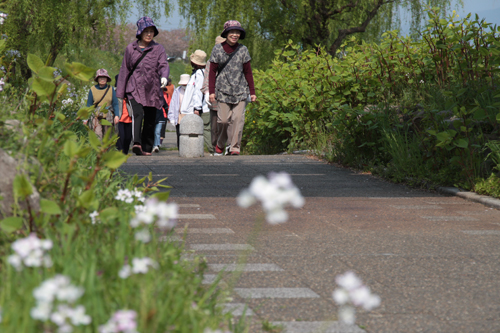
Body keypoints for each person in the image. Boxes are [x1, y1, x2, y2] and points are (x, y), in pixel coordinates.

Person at [116, 16, 169, 156]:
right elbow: (124, 70)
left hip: (152, 89)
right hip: (134, 88)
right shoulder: (130, 49)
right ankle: (137, 143)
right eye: (146, 31)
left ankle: (146, 147)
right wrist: (120, 94)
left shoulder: (158, 49)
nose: (149, 34)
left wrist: (164, 76)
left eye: (152, 31)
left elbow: (163, 64)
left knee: (151, 118)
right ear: (140, 32)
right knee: (138, 113)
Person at [209, 20, 256, 156]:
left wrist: (252, 92)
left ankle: (234, 147)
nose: (235, 35)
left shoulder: (243, 50)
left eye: (237, 32)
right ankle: (220, 143)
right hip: (222, 90)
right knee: (223, 120)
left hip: (240, 90)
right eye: (232, 32)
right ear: (226, 33)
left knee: (237, 119)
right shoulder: (217, 49)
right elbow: (212, 71)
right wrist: (211, 92)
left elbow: (248, 72)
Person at [202, 36, 225, 154]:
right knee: (215, 126)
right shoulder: (210, 62)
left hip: (229, 97)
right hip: (214, 97)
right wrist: (207, 92)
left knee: (228, 123)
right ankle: (215, 147)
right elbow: (206, 78)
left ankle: (228, 146)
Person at [86, 69, 119, 140]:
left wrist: (116, 115)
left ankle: (106, 151)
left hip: (108, 114)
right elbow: (89, 104)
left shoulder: (111, 89)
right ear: (97, 79)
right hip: (96, 115)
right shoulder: (92, 89)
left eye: (104, 77)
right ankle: (98, 150)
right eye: (100, 77)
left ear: (107, 79)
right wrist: (85, 118)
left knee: (107, 137)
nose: (102, 79)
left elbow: (115, 103)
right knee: (98, 135)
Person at [180, 50, 208, 120]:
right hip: (191, 109)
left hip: (195, 110)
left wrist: (197, 108)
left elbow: (198, 90)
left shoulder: (199, 73)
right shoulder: (198, 72)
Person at [168, 74, 190, 149]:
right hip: (180, 116)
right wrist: (172, 118)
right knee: (179, 134)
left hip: (190, 115)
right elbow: (173, 104)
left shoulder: (192, 90)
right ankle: (180, 149)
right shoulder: (177, 91)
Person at [114, 74, 133, 154]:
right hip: (120, 118)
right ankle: (120, 152)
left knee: (128, 138)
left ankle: (125, 152)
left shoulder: (130, 94)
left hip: (129, 118)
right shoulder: (114, 92)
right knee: (121, 137)